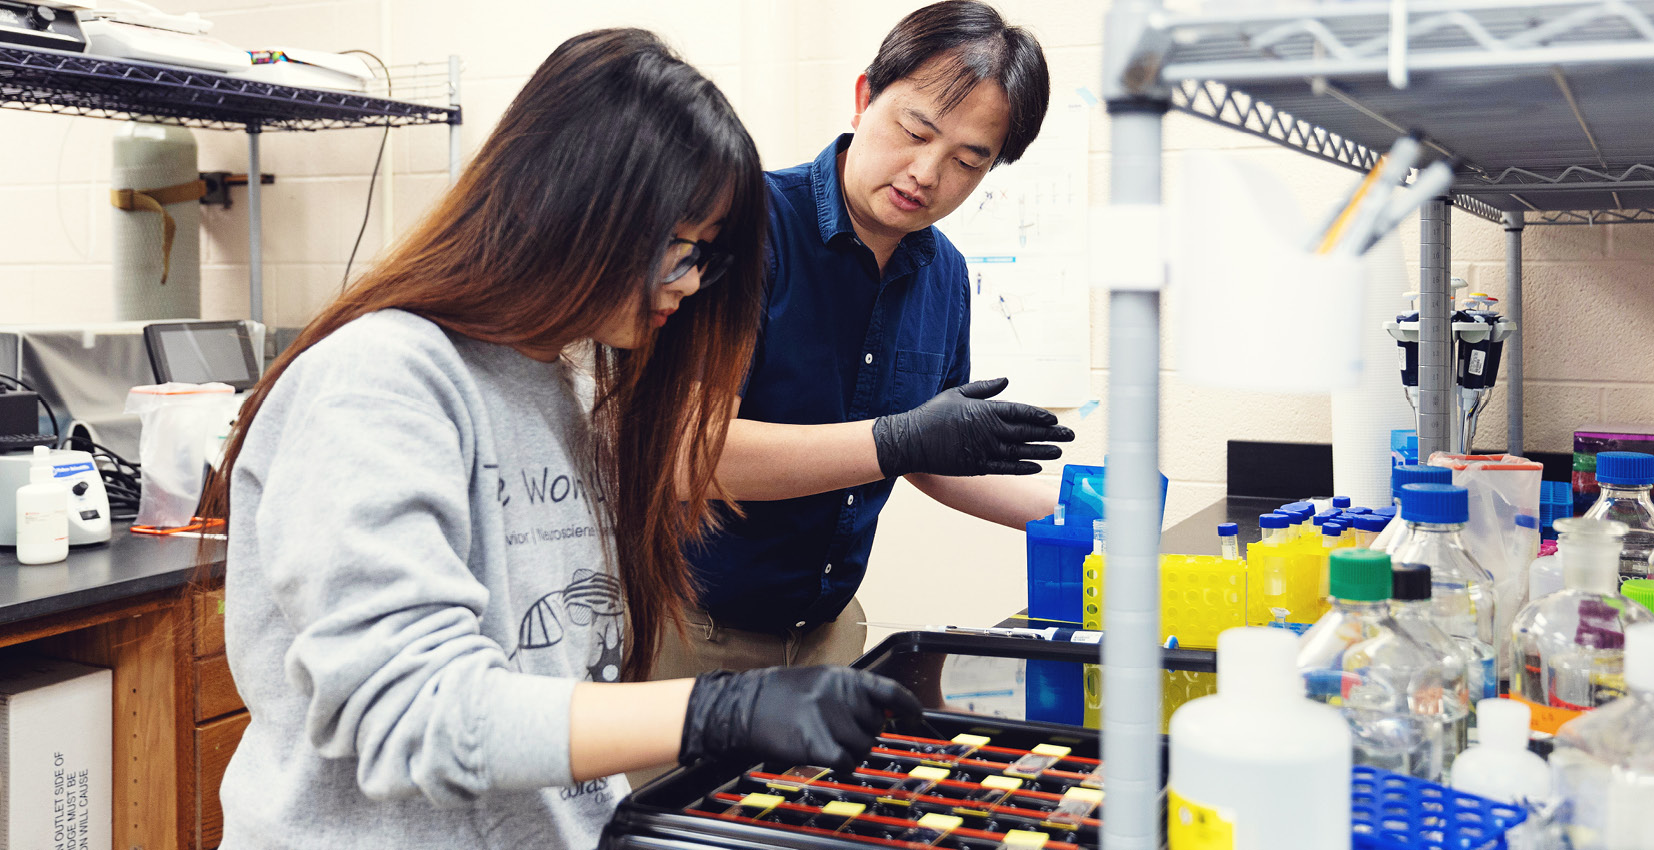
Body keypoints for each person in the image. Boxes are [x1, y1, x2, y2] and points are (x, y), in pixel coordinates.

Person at [198, 30, 920, 850]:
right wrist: (717, 710)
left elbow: (560, 689)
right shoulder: (380, 379)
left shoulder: (569, 388)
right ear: (577, 206)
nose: (687, 284)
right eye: (679, 249)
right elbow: (412, 715)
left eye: (705, 259)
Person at [661, 0, 1066, 677]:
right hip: (692, 632)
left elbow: (926, 450)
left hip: (830, 635)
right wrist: (895, 440)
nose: (927, 174)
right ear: (864, 96)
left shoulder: (944, 273)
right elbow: (687, 455)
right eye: (915, 130)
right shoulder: (746, 226)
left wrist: (1071, 515)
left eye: (968, 161)